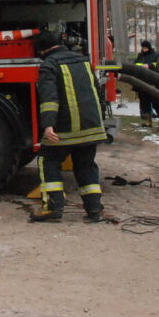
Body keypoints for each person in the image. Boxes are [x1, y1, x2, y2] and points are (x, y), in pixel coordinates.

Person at [30, 31, 108, 223]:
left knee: (47, 160)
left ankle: (53, 208)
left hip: (66, 129)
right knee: (86, 165)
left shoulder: (49, 65)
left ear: (43, 50)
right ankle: (94, 210)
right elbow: (97, 92)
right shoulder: (83, 61)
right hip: (92, 127)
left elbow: (49, 99)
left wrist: (48, 126)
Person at [133, 40, 159, 127]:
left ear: (149, 48)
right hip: (141, 83)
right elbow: (135, 65)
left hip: (152, 82)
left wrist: (149, 66)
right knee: (144, 104)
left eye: (145, 48)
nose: (144, 49)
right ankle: (148, 122)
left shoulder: (155, 55)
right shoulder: (140, 56)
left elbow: (158, 65)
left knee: (156, 102)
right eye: (143, 48)